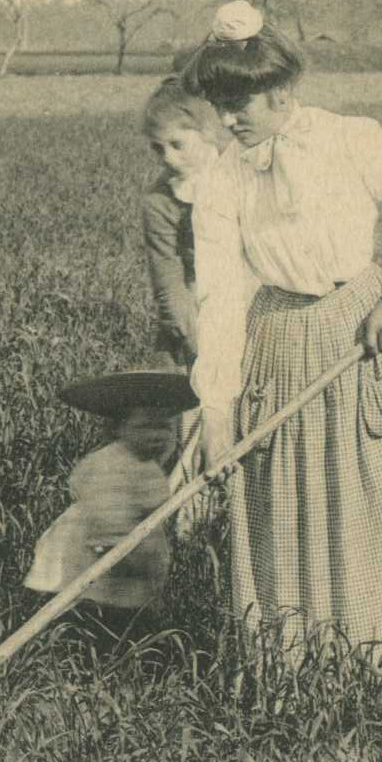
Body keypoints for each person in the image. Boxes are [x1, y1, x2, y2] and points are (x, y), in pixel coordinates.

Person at [184, 0, 382, 663]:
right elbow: (221, 297)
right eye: (219, 103)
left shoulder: (352, 138)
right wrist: (215, 414)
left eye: (242, 101)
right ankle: (306, 661)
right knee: (289, 499)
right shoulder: (220, 179)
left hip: (361, 333)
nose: (228, 118)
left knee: (372, 489)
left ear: (283, 90)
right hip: (280, 345)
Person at [24, 374, 194, 615]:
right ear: (119, 429)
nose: (156, 436)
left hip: (128, 559)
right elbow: (108, 524)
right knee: (90, 614)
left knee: (125, 616)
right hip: (90, 560)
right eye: (145, 426)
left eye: (164, 427)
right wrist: (136, 559)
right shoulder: (111, 464)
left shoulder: (149, 469)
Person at [138, 77, 228, 475]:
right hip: (194, 312)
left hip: (247, 299)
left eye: (178, 144)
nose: (169, 158)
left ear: (207, 132)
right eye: (158, 149)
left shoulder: (239, 173)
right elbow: (168, 278)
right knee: (195, 410)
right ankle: (195, 507)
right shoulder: (161, 200)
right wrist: (195, 341)